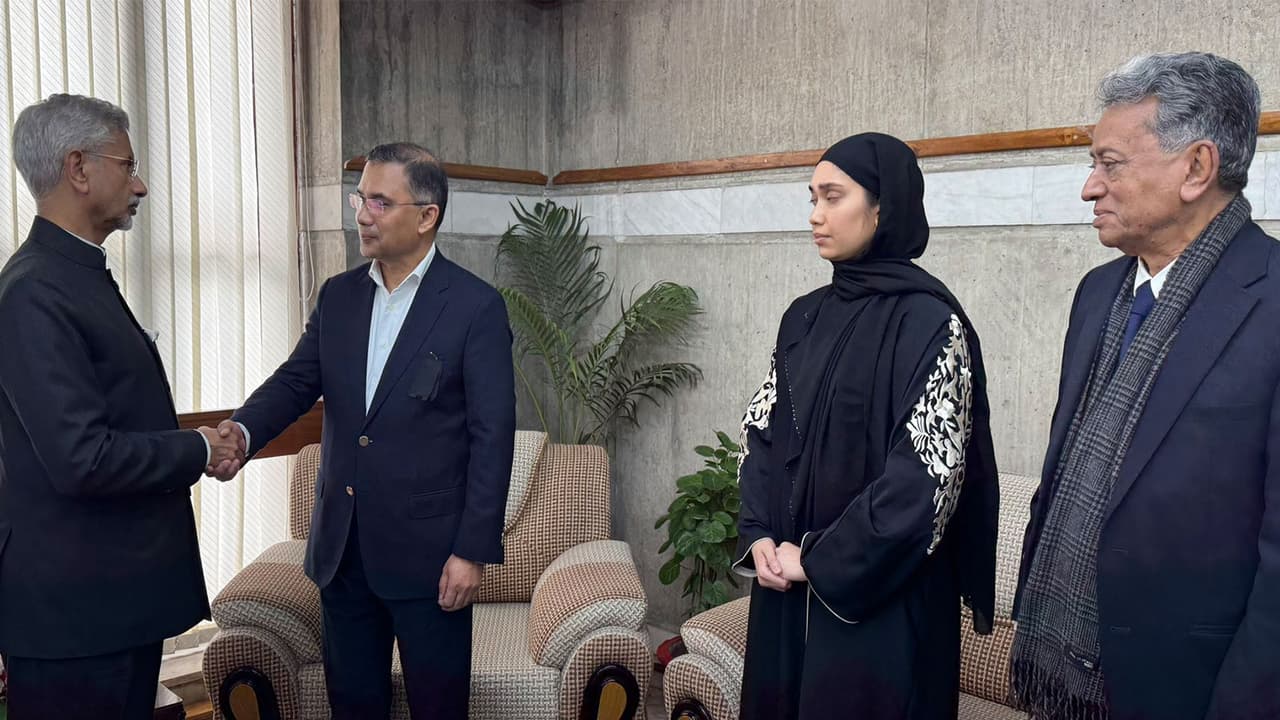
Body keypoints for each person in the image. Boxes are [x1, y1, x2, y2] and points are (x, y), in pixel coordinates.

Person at [1012, 52, 1280, 720]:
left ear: (1196, 168)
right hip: (1060, 677)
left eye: (1110, 163)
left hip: (1190, 688)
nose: (1089, 188)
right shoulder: (1098, 293)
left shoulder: (1271, 299)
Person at [213, 142, 515, 719]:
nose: (362, 214)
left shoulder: (475, 308)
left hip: (431, 559)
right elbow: (295, 382)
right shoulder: (339, 296)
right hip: (342, 553)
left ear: (427, 216)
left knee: (438, 708)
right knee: (352, 706)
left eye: (380, 201)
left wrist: (472, 551)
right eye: (361, 198)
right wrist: (244, 434)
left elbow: (492, 436)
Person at [732, 132, 999, 719]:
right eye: (811, 198)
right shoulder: (802, 317)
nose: (815, 216)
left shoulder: (931, 324)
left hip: (881, 605)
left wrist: (820, 560)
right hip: (783, 590)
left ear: (883, 207)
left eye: (832, 197)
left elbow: (929, 480)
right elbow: (764, 434)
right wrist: (758, 537)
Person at [0, 94, 242, 718]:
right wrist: (197, 447)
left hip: (108, 607)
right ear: (78, 169)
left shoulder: (74, 275)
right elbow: (82, 457)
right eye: (126, 165)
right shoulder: (33, 293)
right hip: (76, 619)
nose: (139, 186)